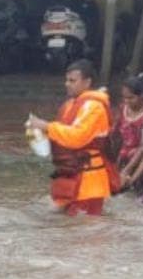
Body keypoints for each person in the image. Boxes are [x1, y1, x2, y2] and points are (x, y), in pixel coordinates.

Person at [31, 59, 115, 215]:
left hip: (89, 180)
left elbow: (78, 137)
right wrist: (39, 135)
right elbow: (61, 134)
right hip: (69, 175)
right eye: (66, 80)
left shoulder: (94, 106)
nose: (67, 84)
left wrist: (47, 126)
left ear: (87, 82)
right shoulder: (70, 104)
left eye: (72, 81)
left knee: (86, 233)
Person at [113, 74, 143, 194]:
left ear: (142, 96)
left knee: (138, 194)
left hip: (140, 162)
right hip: (123, 157)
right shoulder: (123, 109)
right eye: (124, 98)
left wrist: (126, 170)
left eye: (131, 98)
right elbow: (116, 136)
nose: (127, 101)